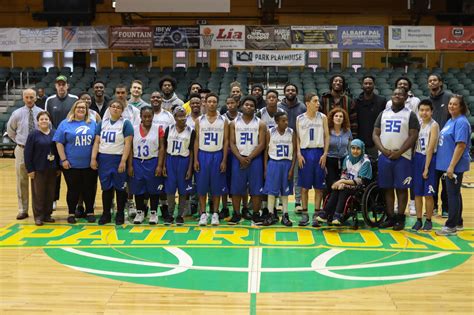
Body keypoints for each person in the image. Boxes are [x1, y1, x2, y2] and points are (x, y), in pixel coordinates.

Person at [373, 88, 419, 230]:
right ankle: (390, 216)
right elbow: (375, 134)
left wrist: (399, 152)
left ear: (406, 97)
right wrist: (383, 150)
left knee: (401, 188)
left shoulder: (410, 115)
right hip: (385, 156)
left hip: (403, 157)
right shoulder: (383, 114)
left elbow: (413, 136)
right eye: (395, 93)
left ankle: (400, 218)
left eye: (400, 94)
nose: (397, 95)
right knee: (387, 188)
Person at [54, 100, 97, 223]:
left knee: (89, 189)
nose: (81, 109)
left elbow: (96, 142)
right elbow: (59, 143)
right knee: (73, 189)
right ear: (74, 109)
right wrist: (64, 159)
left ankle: (90, 212)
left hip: (89, 165)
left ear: (87, 110)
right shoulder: (65, 123)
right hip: (71, 165)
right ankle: (71, 213)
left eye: (83, 108)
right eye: (78, 107)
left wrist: (94, 159)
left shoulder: (92, 124)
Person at [91, 99, 133, 225]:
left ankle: (120, 214)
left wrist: (123, 161)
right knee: (106, 188)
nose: (115, 109)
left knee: (120, 188)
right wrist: (93, 158)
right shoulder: (102, 123)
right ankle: (106, 214)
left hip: (118, 158)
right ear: (109, 108)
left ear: (122, 110)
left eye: (118, 107)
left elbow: (128, 144)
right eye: (113, 106)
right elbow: (97, 142)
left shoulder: (126, 123)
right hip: (104, 159)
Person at [435, 95, 471, 236]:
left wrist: (451, 166)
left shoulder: (461, 122)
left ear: (461, 106)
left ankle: (450, 226)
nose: (451, 106)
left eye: (455, 104)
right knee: (455, 193)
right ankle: (458, 222)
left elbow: (461, 145)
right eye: (450, 104)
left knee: (452, 195)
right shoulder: (451, 120)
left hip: (455, 165)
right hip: (448, 164)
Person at [229, 96, 266, 224]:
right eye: (246, 105)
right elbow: (231, 143)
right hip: (238, 158)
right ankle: (237, 213)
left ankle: (256, 214)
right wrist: (240, 158)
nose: (249, 107)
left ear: (255, 109)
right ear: (242, 106)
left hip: (254, 159)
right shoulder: (234, 123)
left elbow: (261, 144)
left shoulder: (260, 123)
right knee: (236, 189)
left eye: (251, 105)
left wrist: (249, 158)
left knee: (256, 190)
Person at [317, 139, 372, 225]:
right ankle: (326, 213)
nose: (355, 151)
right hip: (347, 184)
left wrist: (342, 182)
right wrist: (342, 182)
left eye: (358, 149)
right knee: (336, 189)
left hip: (359, 187)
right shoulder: (347, 158)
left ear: (362, 150)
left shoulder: (365, 162)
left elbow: (360, 181)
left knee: (343, 190)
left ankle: (338, 215)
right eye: (353, 148)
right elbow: (344, 173)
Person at [128, 106, 167, 225]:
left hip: (153, 161)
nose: (147, 118)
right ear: (140, 116)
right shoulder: (133, 129)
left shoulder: (158, 129)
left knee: (154, 189)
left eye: (149, 116)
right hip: (137, 161)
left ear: (153, 116)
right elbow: (130, 148)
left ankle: (154, 213)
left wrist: (160, 165)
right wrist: (130, 165)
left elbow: (162, 148)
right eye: (145, 116)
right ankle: (140, 212)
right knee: (138, 188)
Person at [7, 89, 42, 220]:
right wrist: (19, 141)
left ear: (36, 98)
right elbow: (10, 130)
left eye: (31, 97)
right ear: (23, 98)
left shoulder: (41, 113)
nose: (29, 100)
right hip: (22, 149)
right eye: (26, 97)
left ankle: (38, 210)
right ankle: (23, 209)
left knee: (38, 181)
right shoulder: (17, 113)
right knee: (21, 180)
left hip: (38, 151)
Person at [194, 93, 228, 226]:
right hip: (203, 155)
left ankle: (215, 213)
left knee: (216, 187)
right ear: (205, 103)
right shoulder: (199, 120)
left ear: (217, 103)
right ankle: (203, 213)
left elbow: (226, 141)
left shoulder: (223, 120)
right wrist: (196, 159)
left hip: (217, 154)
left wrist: (224, 160)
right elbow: (196, 140)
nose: (212, 104)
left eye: (214, 101)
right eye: (209, 101)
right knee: (202, 187)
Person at [296, 93, 329, 227]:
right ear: (307, 103)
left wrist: (325, 154)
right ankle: (305, 215)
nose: (318, 104)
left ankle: (316, 215)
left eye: (318, 101)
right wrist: (298, 153)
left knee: (319, 187)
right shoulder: (299, 118)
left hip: (318, 152)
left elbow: (327, 136)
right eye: (315, 101)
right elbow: (297, 138)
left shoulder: (323, 117)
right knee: (304, 187)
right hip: (305, 152)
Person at [45, 75, 78, 208]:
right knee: (55, 172)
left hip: (70, 142)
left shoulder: (74, 99)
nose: (61, 86)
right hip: (54, 142)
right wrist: (56, 135)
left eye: (63, 84)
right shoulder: (50, 100)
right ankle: (53, 199)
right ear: (55, 86)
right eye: (59, 84)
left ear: (67, 86)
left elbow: (77, 117)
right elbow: (46, 120)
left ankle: (75, 201)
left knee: (72, 172)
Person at [262, 111, 297, 226]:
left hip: (286, 163)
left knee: (285, 192)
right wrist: (266, 168)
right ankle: (271, 214)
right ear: (277, 121)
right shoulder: (270, 132)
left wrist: (292, 168)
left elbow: (295, 151)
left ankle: (285, 215)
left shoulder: (291, 132)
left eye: (287, 120)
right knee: (271, 191)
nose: (286, 122)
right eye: (283, 121)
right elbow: (266, 151)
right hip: (273, 163)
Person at [24, 111, 58, 226]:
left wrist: (58, 167)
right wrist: (30, 169)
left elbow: (58, 151)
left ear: (49, 121)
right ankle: (38, 216)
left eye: (46, 119)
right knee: (38, 194)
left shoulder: (54, 133)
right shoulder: (33, 134)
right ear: (38, 122)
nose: (44, 121)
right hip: (38, 169)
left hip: (52, 168)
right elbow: (27, 153)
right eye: (41, 119)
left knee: (50, 193)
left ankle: (47, 215)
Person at [163, 106, 196, 225]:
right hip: (170, 160)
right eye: (179, 116)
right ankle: (170, 213)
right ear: (175, 117)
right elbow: (165, 148)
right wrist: (163, 166)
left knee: (183, 190)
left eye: (184, 116)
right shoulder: (169, 129)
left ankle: (180, 214)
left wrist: (189, 168)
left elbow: (192, 151)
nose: (182, 118)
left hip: (184, 161)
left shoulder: (191, 131)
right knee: (170, 190)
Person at [411, 99, 439, 231]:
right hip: (417, 158)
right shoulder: (419, 123)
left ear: (432, 111)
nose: (424, 112)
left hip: (429, 159)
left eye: (427, 110)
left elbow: (430, 147)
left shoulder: (434, 125)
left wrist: (426, 167)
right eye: (421, 110)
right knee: (417, 193)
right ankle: (418, 220)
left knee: (428, 193)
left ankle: (428, 220)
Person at [278, 83, 306, 212]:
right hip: (281, 144)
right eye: (288, 89)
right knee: (282, 173)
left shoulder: (302, 107)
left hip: (298, 144)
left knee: (297, 174)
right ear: (284, 92)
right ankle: (279, 201)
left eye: (293, 90)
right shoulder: (279, 107)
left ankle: (298, 202)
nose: (290, 91)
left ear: (296, 92)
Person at [427, 74, 452, 217]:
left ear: (440, 82)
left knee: (446, 179)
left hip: (447, 146)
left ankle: (446, 208)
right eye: (430, 81)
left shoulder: (449, 97)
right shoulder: (428, 101)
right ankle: (434, 206)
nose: (432, 83)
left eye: (435, 80)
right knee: (433, 179)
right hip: (432, 146)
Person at [353, 76, 386, 160]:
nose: (368, 85)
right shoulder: (356, 101)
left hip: (376, 142)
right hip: (360, 141)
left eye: (370, 83)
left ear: (374, 85)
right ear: (362, 85)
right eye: (366, 83)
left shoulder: (381, 101)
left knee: (375, 169)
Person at [326, 108, 352, 193]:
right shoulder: (327, 131)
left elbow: (350, 146)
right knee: (331, 184)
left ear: (344, 119)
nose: (338, 118)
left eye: (341, 116)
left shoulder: (347, 131)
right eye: (336, 116)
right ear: (332, 118)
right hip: (330, 160)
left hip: (344, 159)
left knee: (341, 184)